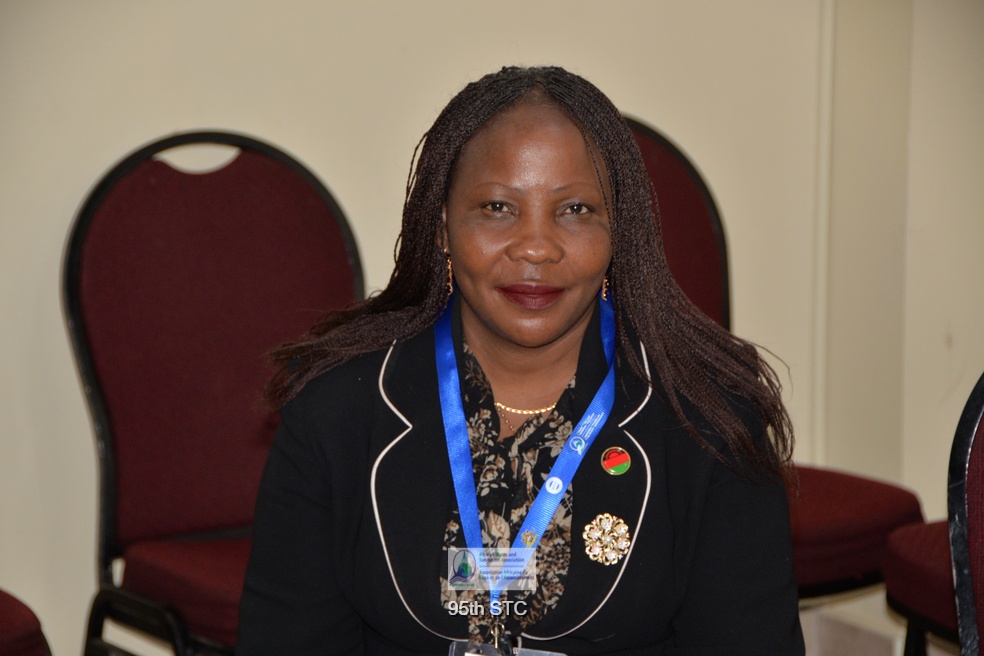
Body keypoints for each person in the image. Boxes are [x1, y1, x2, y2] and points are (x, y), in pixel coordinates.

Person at [237, 65, 804, 655]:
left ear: (618, 232)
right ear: (442, 227)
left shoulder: (708, 422)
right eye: (498, 207)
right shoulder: (337, 408)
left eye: (575, 209)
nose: (536, 247)